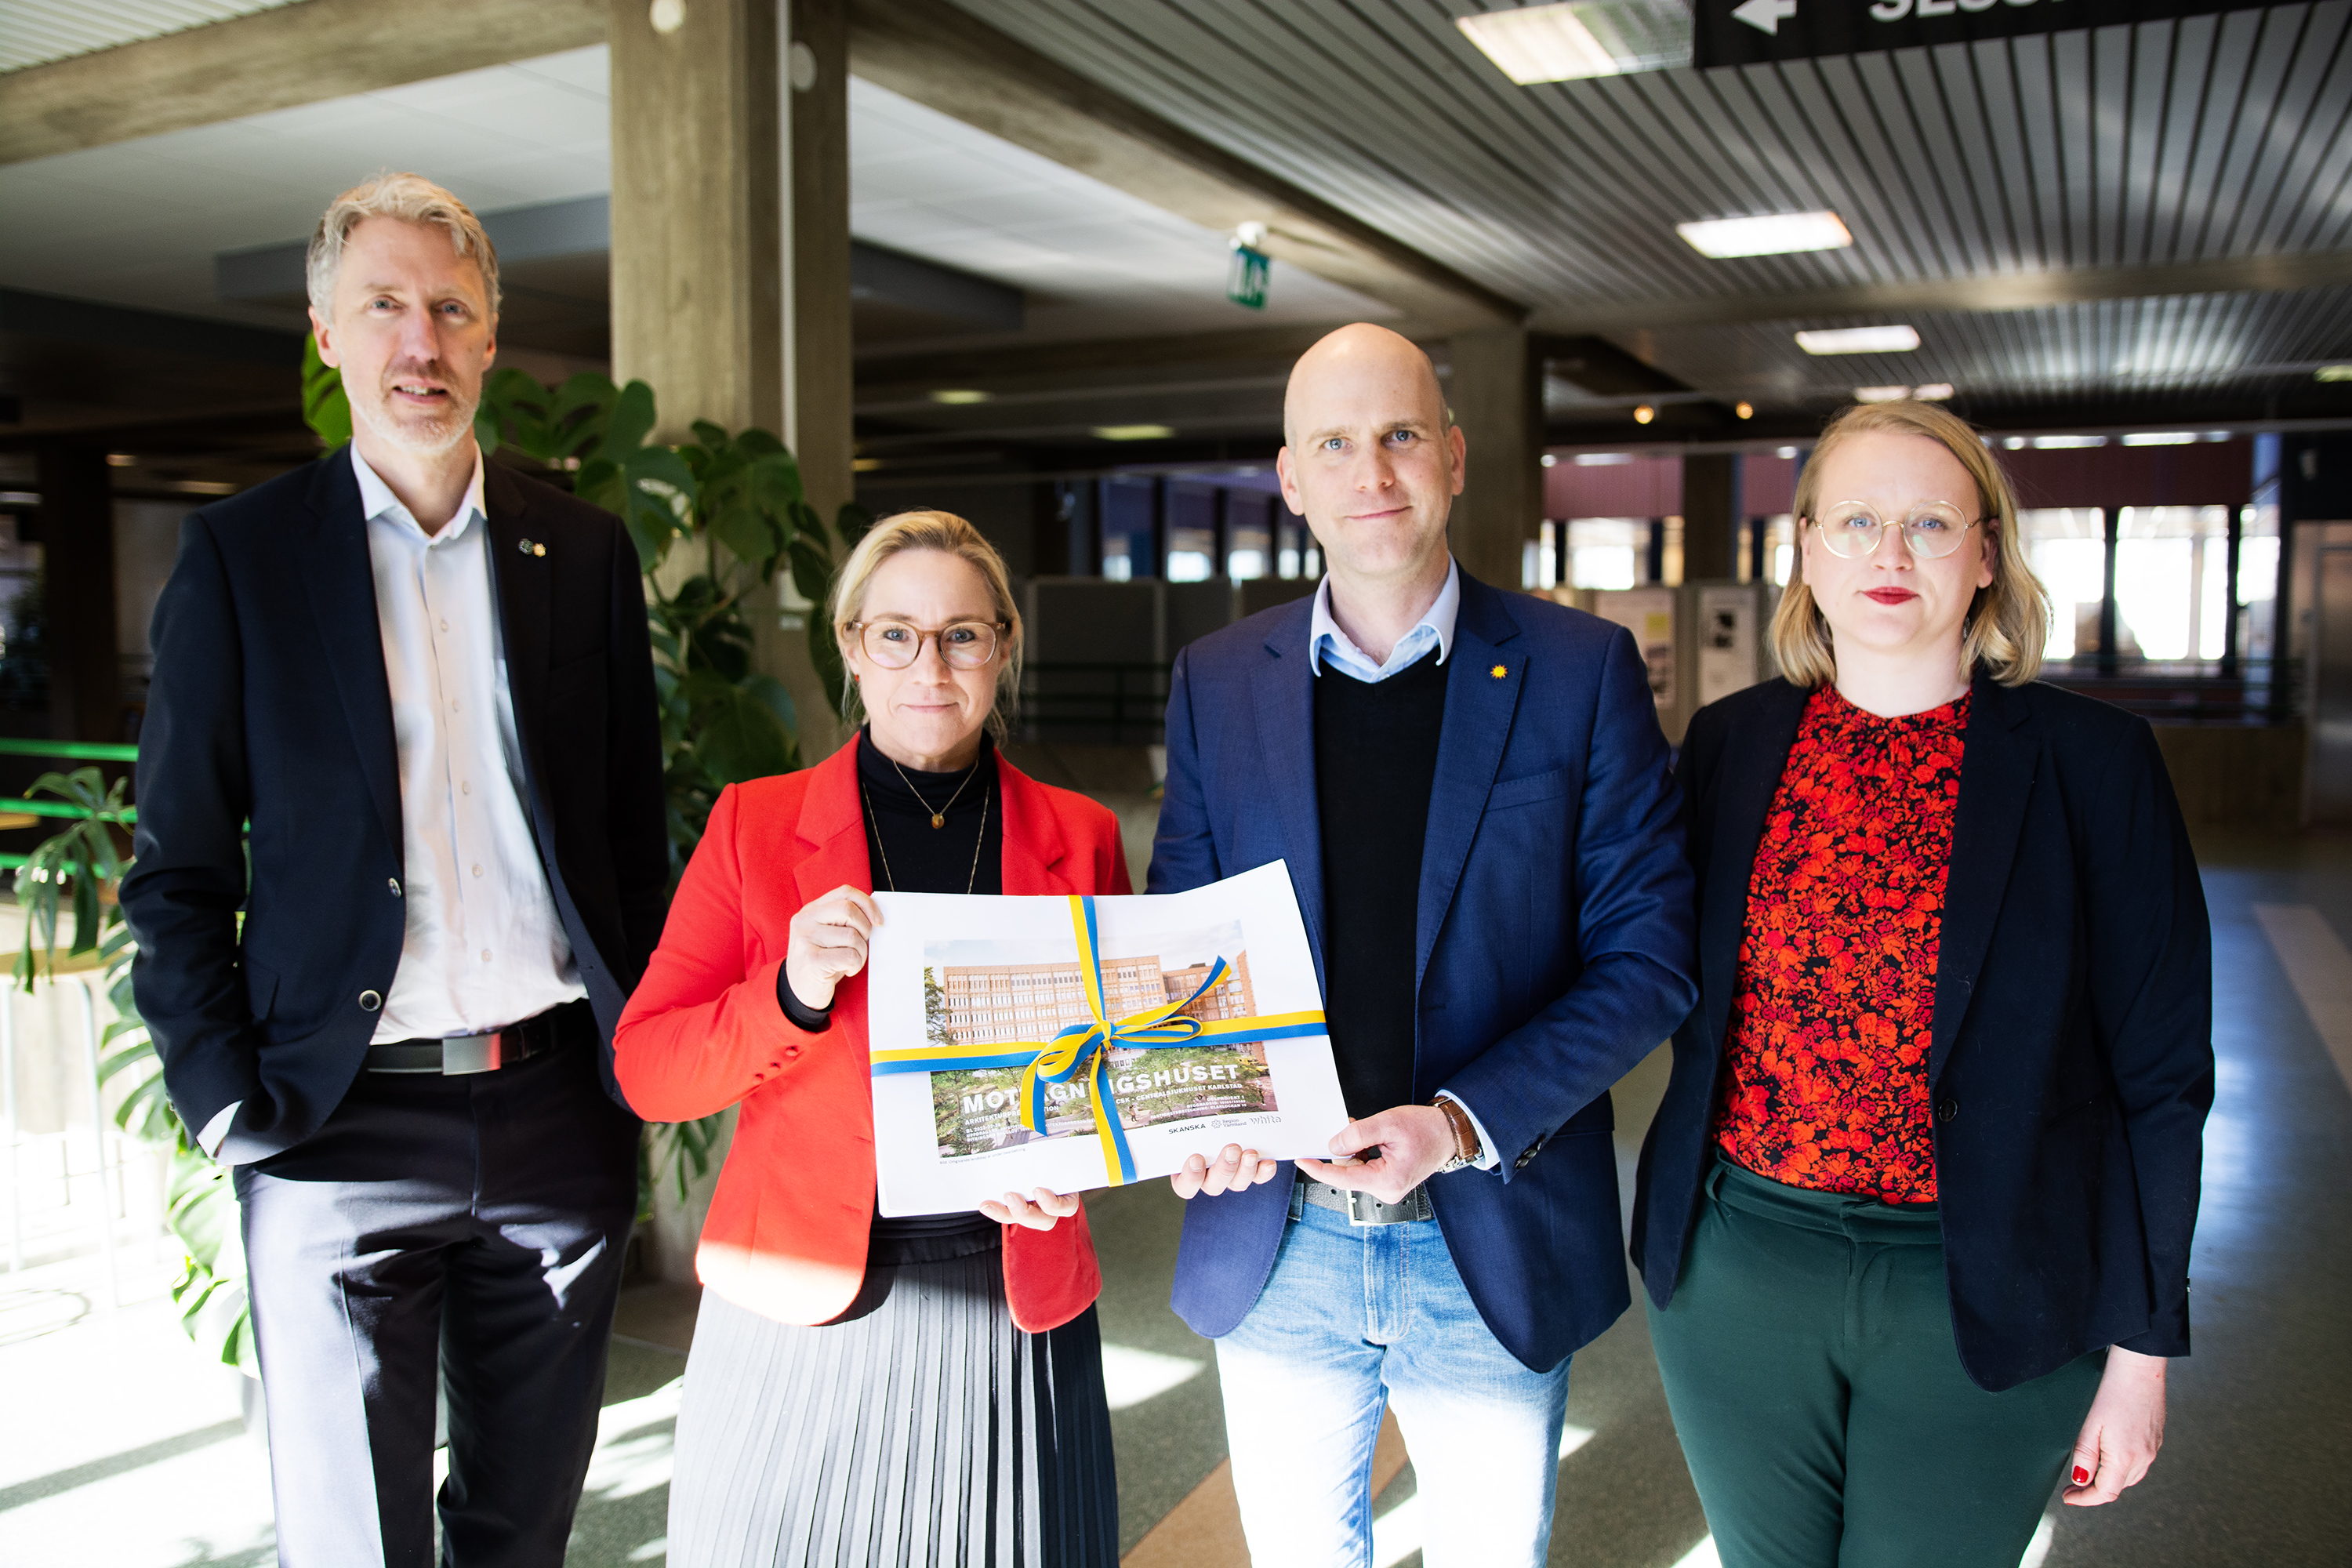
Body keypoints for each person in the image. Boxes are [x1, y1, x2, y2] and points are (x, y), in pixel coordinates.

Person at [119, 174, 668, 1566]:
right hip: (332, 1126)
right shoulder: (241, 559)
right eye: (384, 306)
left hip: (556, 1110)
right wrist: (224, 1107)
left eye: (450, 309)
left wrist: (638, 1071)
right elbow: (176, 865)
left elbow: (628, 837)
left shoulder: (583, 551)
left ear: (491, 336)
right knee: (356, 1542)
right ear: (326, 333)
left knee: (522, 1528)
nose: (420, 342)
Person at [1146, 323, 1697, 1566]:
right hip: (1276, 1239)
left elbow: (1650, 955)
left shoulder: (1579, 672)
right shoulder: (1218, 681)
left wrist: (1456, 1124)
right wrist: (1196, 1108)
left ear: (1452, 455)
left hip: (1490, 1229)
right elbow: (1184, 945)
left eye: (1399, 435)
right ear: (1292, 479)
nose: (1372, 473)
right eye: (1335, 445)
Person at [1632, 399, 2212, 1568]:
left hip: (1986, 1281)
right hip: (1741, 1270)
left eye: (1930, 524)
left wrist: (2142, 1352)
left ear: (1987, 554)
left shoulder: (2095, 764)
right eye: (1855, 521)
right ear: (1806, 551)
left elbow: (2162, 1075)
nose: (1888, 552)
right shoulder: (1730, 745)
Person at [615, 510, 1125, 1567]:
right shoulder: (754, 826)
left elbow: (1118, 1070)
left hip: (1008, 1298)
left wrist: (1076, 1157)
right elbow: (649, 1071)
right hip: (800, 1304)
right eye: (896, 634)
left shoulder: (1081, 836)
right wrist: (791, 992)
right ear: (852, 648)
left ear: (1002, 647)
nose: (928, 666)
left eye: (961, 635)